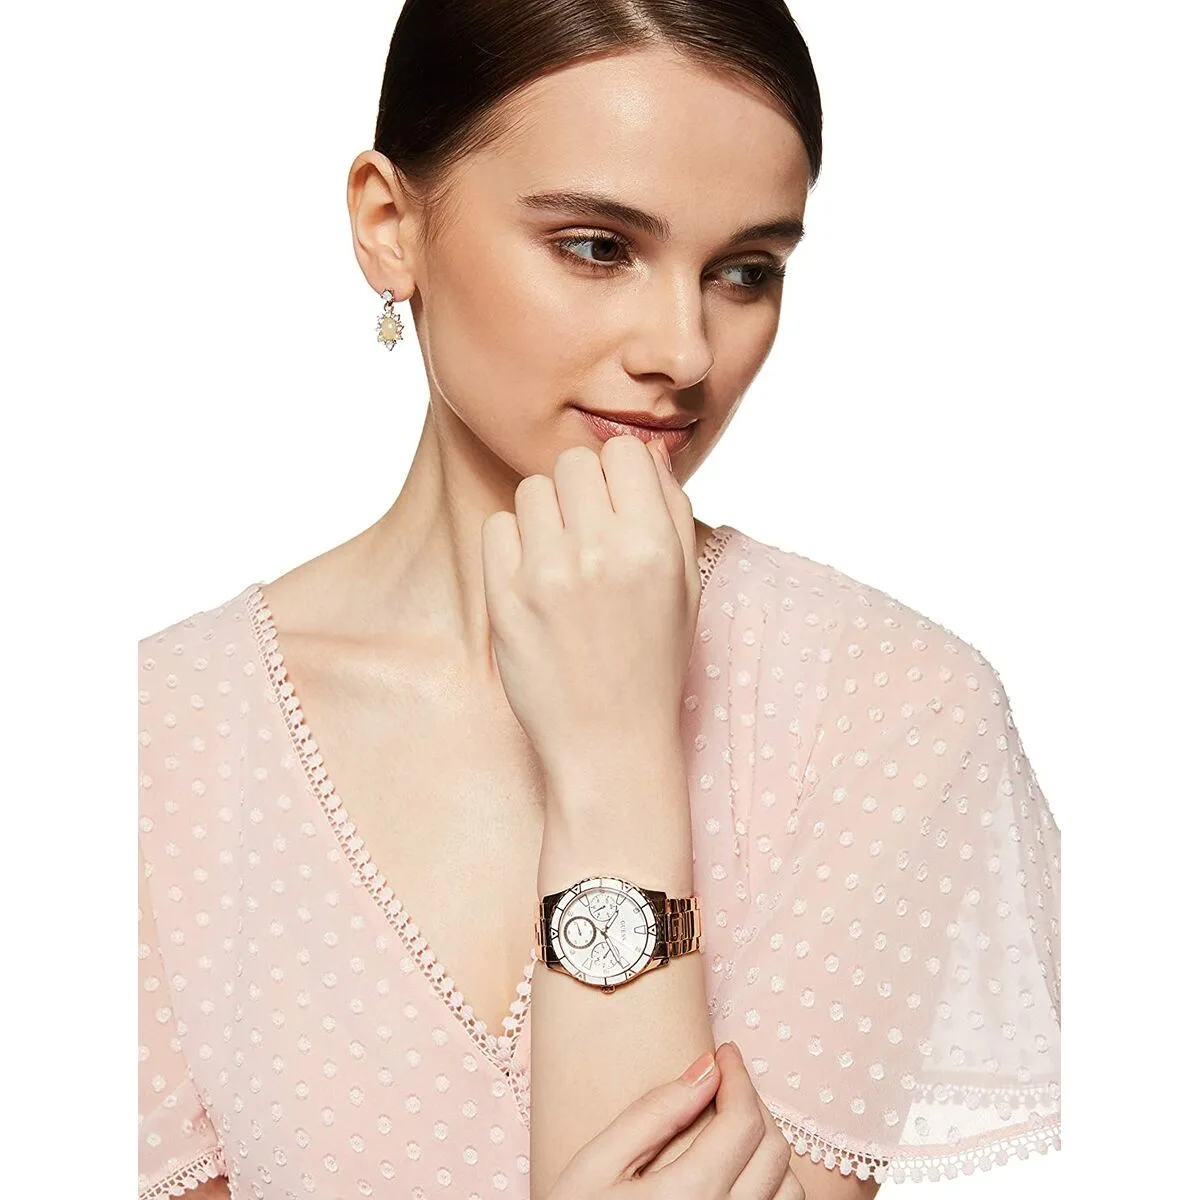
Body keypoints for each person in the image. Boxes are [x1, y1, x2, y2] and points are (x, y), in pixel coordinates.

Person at [136, 2, 1062, 1196]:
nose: (684, 350)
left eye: (745, 272)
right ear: (389, 225)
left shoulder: (891, 711)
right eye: (596, 246)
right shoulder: (155, 741)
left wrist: (615, 759)